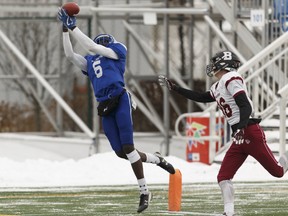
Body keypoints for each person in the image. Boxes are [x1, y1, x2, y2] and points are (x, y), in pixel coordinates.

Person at [57, 8, 175, 213]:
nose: (101, 44)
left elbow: (91, 45)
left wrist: (73, 26)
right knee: (121, 153)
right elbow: (69, 55)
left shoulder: (116, 52)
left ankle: (145, 192)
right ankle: (156, 159)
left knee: (128, 147)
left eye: (104, 43)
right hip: (104, 105)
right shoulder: (92, 61)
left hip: (120, 99)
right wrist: (65, 30)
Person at [158, 50, 288, 216]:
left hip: (248, 132)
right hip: (239, 135)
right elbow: (202, 97)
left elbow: (245, 106)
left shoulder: (231, 78)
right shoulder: (219, 85)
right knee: (223, 177)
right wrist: (176, 88)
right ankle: (229, 212)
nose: (212, 66)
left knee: (277, 172)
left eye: (215, 62)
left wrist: (240, 128)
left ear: (223, 64)